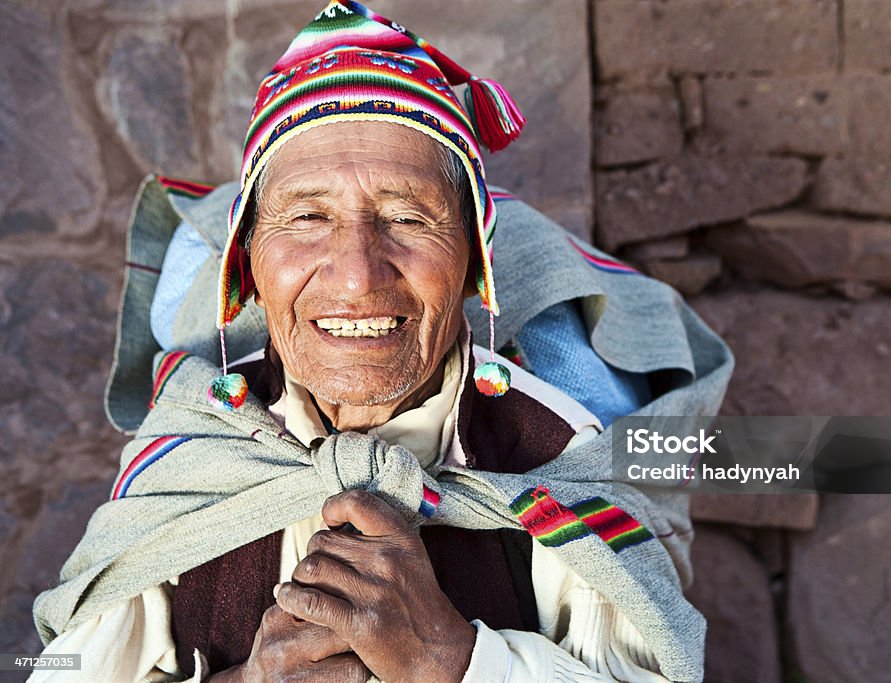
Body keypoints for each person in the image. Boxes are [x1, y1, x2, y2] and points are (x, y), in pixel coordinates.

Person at [32, 2, 734, 681]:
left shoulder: (557, 460)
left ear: (474, 265)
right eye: (307, 216)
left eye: (407, 216)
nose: (358, 277)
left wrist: (455, 664)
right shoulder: (190, 450)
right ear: (246, 264)